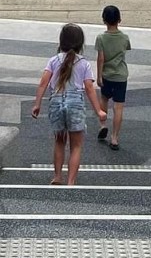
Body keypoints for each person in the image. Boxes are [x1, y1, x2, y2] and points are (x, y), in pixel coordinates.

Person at [31, 23, 106, 185]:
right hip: (75, 104)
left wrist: (37, 104)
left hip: (56, 102)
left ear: (61, 42)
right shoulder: (84, 64)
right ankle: (71, 181)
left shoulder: (53, 61)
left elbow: (43, 83)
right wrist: (98, 110)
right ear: (81, 44)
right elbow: (89, 88)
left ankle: (57, 177)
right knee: (76, 145)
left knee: (59, 141)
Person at [95, 4, 131, 151]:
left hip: (107, 75)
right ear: (120, 20)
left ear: (103, 20)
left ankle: (103, 125)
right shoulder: (125, 38)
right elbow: (126, 49)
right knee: (118, 106)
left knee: (104, 99)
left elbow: (100, 59)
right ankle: (115, 138)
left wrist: (98, 76)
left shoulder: (101, 38)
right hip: (121, 76)